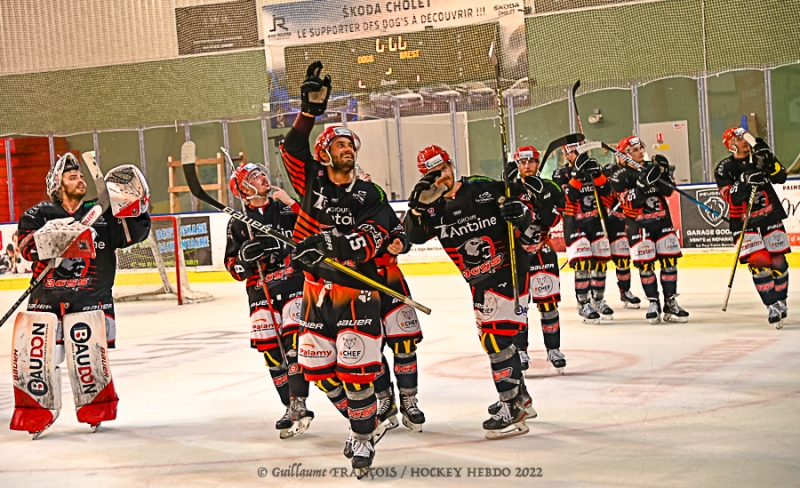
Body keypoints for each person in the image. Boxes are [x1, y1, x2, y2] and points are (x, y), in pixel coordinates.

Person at [279, 61, 398, 478]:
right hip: (315, 293)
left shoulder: (369, 191)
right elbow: (290, 149)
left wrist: (332, 243)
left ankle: (363, 436)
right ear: (324, 153)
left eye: (351, 145)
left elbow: (375, 236)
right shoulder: (311, 180)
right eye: (339, 145)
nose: (348, 149)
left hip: (356, 290)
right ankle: (366, 420)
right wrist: (308, 112)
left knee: (356, 371)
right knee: (317, 368)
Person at [405, 144, 536, 440]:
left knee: (496, 340)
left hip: (508, 270)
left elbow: (527, 216)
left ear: (452, 165)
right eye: (432, 175)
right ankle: (520, 397)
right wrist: (417, 208)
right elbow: (411, 238)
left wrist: (519, 211)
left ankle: (511, 407)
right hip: (477, 282)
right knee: (495, 340)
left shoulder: (483, 188)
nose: (441, 178)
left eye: (443, 170)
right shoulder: (433, 206)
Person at [13, 155, 151, 438]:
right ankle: (35, 414)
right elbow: (26, 249)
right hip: (46, 301)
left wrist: (137, 209)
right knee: (36, 360)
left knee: (87, 360)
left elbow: (132, 236)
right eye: (72, 176)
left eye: (81, 176)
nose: (80, 180)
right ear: (57, 184)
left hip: (91, 298)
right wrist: (57, 237)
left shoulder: (102, 212)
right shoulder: (38, 214)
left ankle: (95, 410)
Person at [224, 162, 319, 438]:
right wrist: (245, 258)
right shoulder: (238, 222)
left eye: (262, 173)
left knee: (293, 345)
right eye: (255, 176)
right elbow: (234, 269)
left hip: (293, 283)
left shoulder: (286, 208)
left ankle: (300, 400)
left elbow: (312, 228)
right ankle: (289, 406)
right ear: (243, 189)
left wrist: (291, 201)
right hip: (261, 290)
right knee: (271, 353)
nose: (264, 177)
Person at [359, 172, 426, 432]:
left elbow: (401, 233)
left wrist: (401, 243)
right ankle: (385, 399)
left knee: (404, 342)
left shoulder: (379, 205)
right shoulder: (335, 210)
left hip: (391, 280)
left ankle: (409, 400)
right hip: (359, 286)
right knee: (371, 349)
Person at [608, 136, 689, 324]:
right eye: (634, 149)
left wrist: (664, 172)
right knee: (645, 266)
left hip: (662, 222)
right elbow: (629, 202)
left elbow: (668, 191)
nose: (639, 151)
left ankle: (670, 302)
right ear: (625, 155)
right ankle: (653, 302)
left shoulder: (650, 167)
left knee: (669, 263)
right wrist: (643, 185)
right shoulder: (620, 176)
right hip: (639, 225)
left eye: (640, 148)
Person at [714, 127, 789, 328]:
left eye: (744, 136)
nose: (744, 140)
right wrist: (745, 181)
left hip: (769, 214)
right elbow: (728, 196)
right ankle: (771, 306)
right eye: (738, 138)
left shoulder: (759, 157)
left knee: (779, 262)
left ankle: (782, 301)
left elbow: (780, 176)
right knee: (759, 261)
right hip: (743, 221)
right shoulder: (724, 168)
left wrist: (769, 159)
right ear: (730, 145)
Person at [510, 146, 566, 372]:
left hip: (543, 249)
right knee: (519, 306)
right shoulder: (510, 188)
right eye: (522, 163)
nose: (526, 167)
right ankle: (521, 350)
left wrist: (542, 201)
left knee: (549, 303)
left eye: (531, 162)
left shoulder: (550, 187)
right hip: (517, 254)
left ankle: (553, 349)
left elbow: (554, 220)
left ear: (537, 162)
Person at [552, 142, 614, 323]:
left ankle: (598, 299)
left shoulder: (591, 168)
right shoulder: (560, 174)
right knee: (582, 264)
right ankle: (583, 303)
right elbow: (568, 196)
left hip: (594, 222)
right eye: (572, 151)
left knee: (601, 263)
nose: (577, 154)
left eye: (579, 150)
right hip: (574, 224)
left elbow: (607, 193)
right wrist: (578, 173)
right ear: (566, 154)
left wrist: (599, 175)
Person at [602, 155, 642, 309]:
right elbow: (602, 197)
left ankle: (625, 292)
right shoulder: (611, 172)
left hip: (621, 224)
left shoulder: (632, 175)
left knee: (623, 259)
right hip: (606, 224)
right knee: (598, 263)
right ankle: (596, 297)